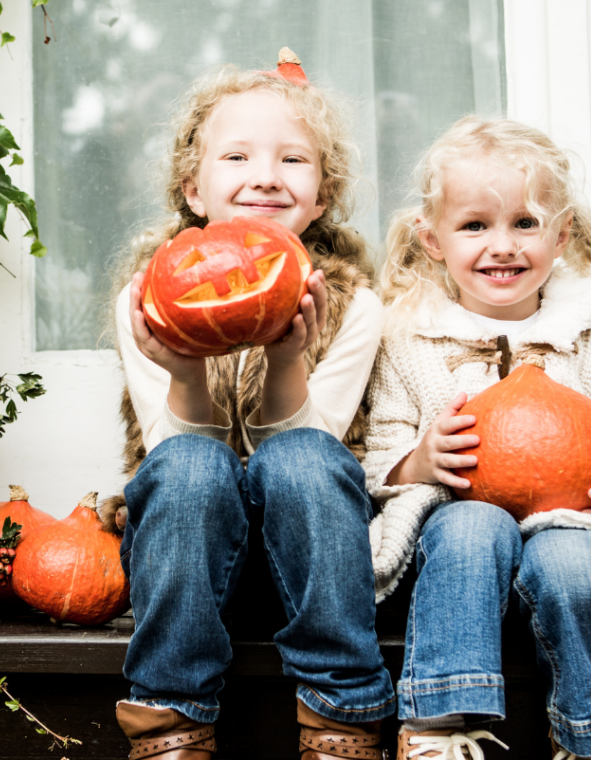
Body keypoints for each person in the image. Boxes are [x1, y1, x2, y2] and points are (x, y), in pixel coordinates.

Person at [364, 117, 591, 760]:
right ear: (433, 240)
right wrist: (419, 461)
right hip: (453, 570)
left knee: (570, 560)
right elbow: (376, 456)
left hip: (570, 543)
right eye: (475, 225)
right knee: (471, 525)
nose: (502, 246)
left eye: (525, 223)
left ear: (561, 234)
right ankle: (437, 729)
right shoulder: (408, 339)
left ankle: (589, 736)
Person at [105, 49, 395, 760]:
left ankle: (343, 717)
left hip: (314, 576)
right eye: (236, 156)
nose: (265, 175)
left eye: (293, 160)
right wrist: (186, 372)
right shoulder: (147, 298)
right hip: (191, 581)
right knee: (190, 467)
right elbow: (172, 449)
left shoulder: (355, 305)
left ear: (322, 195)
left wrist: (288, 358)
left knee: (302, 456)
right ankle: (169, 722)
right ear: (193, 189)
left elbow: (316, 454)